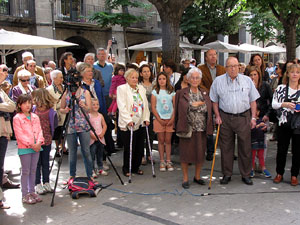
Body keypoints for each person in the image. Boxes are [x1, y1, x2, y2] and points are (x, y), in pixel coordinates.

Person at [210, 57, 260, 185]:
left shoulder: (247, 80)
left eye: (235, 66)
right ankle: (227, 174)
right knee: (226, 147)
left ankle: (246, 174)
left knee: (245, 147)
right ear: (225, 68)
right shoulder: (218, 81)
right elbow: (214, 101)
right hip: (225, 117)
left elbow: (253, 100)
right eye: (229, 66)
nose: (232, 68)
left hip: (243, 117)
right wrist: (217, 116)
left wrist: (253, 117)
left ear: (239, 67)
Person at [175, 67, 213, 189]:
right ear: (188, 79)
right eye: (193, 77)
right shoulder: (181, 93)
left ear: (200, 79)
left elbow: (208, 108)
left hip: (201, 128)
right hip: (187, 128)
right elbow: (178, 110)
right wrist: (199, 105)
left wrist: (195, 105)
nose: (195, 80)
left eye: (197, 78)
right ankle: (185, 178)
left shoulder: (205, 93)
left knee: (200, 154)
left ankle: (197, 176)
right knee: (185, 154)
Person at [60, 70, 94, 181]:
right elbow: (61, 109)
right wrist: (65, 110)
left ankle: (90, 175)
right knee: (72, 152)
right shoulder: (66, 93)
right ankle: (72, 175)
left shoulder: (85, 92)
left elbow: (89, 109)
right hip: (70, 126)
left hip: (83, 125)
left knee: (86, 151)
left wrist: (84, 105)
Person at [117, 69, 150, 177]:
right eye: (132, 77)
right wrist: (128, 120)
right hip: (128, 123)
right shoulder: (122, 89)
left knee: (139, 146)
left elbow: (144, 105)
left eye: (136, 77)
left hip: (140, 122)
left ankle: (136, 167)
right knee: (129, 147)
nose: (135, 79)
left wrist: (146, 118)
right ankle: (126, 168)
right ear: (127, 78)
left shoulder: (141, 88)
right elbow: (121, 106)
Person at [272, 64, 300, 186]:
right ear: (287, 74)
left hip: (298, 123)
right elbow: (274, 104)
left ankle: (294, 175)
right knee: (282, 149)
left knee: (297, 151)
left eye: (297, 72)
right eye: (292, 72)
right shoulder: (281, 88)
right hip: (284, 122)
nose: (295, 74)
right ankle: (279, 173)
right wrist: (285, 104)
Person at [13, 94, 44, 204]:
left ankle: (32, 191)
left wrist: (39, 142)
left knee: (33, 170)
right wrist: (32, 144)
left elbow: (40, 130)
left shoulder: (35, 117)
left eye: (29, 103)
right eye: (25, 103)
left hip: (36, 148)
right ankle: (25, 194)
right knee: (25, 171)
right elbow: (19, 135)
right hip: (25, 148)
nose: (28, 105)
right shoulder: (17, 118)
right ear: (19, 105)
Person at [198, 49, 226, 161]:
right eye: (210, 55)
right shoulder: (200, 69)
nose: (213, 57)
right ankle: (210, 151)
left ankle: (226, 150)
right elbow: (200, 84)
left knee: (223, 127)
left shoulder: (222, 69)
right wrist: (211, 92)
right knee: (209, 126)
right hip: (207, 100)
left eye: (215, 54)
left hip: (221, 100)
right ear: (206, 57)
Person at [31, 88, 57, 194]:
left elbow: (54, 125)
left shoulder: (51, 111)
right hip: (35, 140)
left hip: (46, 139)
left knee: (45, 161)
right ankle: (37, 183)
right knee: (37, 163)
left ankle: (46, 182)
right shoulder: (33, 109)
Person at [151, 72, 176, 172]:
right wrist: (159, 119)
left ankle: (168, 160)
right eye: (160, 79)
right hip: (159, 119)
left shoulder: (171, 91)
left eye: (164, 79)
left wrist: (172, 119)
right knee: (161, 140)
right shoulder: (155, 92)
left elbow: (175, 106)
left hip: (169, 118)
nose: (162, 81)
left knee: (168, 141)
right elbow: (153, 107)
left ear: (167, 80)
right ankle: (162, 160)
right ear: (157, 80)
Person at [0, 70, 16, 209]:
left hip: (3, 131)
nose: (3, 75)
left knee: (0, 165)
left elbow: (11, 106)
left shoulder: (1, 91)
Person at [46, 70, 67, 155]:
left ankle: (64, 146)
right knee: (57, 132)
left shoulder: (65, 87)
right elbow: (51, 103)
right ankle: (58, 148)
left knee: (65, 131)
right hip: (57, 114)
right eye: (60, 77)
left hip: (66, 112)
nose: (62, 79)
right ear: (54, 78)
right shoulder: (49, 90)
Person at [139, 64, 155, 165]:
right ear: (141, 73)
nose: (146, 73)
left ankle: (149, 154)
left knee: (150, 134)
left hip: (152, 111)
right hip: (141, 112)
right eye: (144, 71)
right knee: (141, 135)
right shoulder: (138, 84)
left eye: (148, 71)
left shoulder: (154, 83)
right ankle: (141, 155)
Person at [250, 105, 271, 178]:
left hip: (261, 140)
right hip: (253, 141)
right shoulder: (251, 121)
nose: (256, 112)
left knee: (261, 156)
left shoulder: (261, 119)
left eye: (257, 111)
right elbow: (251, 130)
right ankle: (252, 169)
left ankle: (263, 168)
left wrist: (265, 127)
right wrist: (258, 126)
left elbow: (265, 130)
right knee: (252, 156)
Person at [89, 98, 107, 177]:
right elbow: (87, 127)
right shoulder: (88, 116)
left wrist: (102, 133)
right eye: (93, 104)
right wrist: (92, 135)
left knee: (100, 154)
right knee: (92, 154)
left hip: (100, 138)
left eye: (97, 104)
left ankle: (100, 167)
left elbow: (104, 125)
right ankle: (92, 169)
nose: (95, 106)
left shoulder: (100, 115)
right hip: (92, 139)